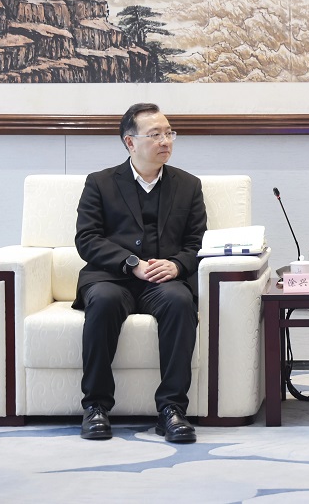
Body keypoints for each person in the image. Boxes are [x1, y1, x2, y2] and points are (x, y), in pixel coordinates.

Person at [73, 103, 207, 443]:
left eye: (169, 133)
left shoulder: (188, 185)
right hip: (112, 277)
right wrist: (132, 263)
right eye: (155, 134)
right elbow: (86, 239)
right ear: (130, 142)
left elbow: (197, 243)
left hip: (163, 281)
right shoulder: (100, 183)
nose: (165, 141)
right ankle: (96, 406)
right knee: (103, 301)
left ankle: (172, 409)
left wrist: (177, 265)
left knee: (180, 302)